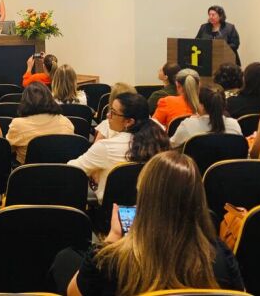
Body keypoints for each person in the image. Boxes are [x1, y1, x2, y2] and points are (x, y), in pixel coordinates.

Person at [64, 151, 245, 296]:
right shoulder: (222, 255)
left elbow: (73, 293)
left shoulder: (108, 260)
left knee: (64, 259)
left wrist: (112, 238)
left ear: (144, 197)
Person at [69, 92, 169, 203]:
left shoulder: (106, 148)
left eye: (113, 112)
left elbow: (72, 170)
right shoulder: (161, 141)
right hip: (151, 209)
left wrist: (94, 170)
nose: (108, 115)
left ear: (129, 121)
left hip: (112, 213)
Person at [7, 82, 75, 164]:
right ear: (50, 98)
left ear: (24, 101)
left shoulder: (18, 124)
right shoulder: (66, 122)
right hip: (61, 173)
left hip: (28, 174)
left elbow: (8, 149)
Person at [170, 83, 242, 147]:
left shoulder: (187, 125)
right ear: (223, 104)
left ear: (202, 106)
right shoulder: (234, 124)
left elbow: (171, 146)